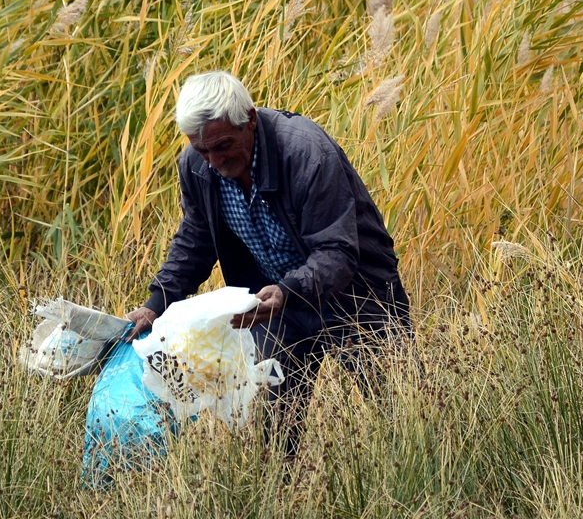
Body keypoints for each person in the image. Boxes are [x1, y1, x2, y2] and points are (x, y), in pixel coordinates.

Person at [125, 70, 411, 455]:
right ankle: (285, 504)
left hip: (355, 294)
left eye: (223, 145)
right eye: (202, 149)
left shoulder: (305, 153)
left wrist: (288, 291)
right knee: (276, 428)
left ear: (251, 119)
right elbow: (195, 241)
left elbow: (337, 251)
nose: (214, 160)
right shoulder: (195, 167)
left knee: (403, 412)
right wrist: (156, 303)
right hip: (273, 305)